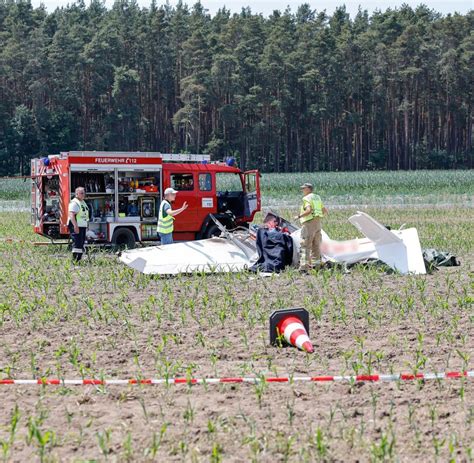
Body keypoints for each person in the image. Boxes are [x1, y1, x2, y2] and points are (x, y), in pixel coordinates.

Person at [294, 183, 328, 271]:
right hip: (318, 223)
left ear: (309, 189)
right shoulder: (317, 197)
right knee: (316, 245)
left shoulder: (306, 198)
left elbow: (308, 210)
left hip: (309, 223)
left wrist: (298, 216)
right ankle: (316, 266)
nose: (302, 190)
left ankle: (304, 268)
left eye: (304, 188)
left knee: (305, 245)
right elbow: (324, 210)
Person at [68, 187, 90, 262]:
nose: (83, 194)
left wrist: (86, 225)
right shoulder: (75, 202)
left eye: (84, 193)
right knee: (77, 243)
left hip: (82, 226)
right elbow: (71, 215)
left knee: (81, 243)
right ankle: (74, 261)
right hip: (76, 225)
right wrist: (75, 226)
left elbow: (85, 215)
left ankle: (79, 260)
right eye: (81, 193)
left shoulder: (83, 202)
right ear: (76, 194)